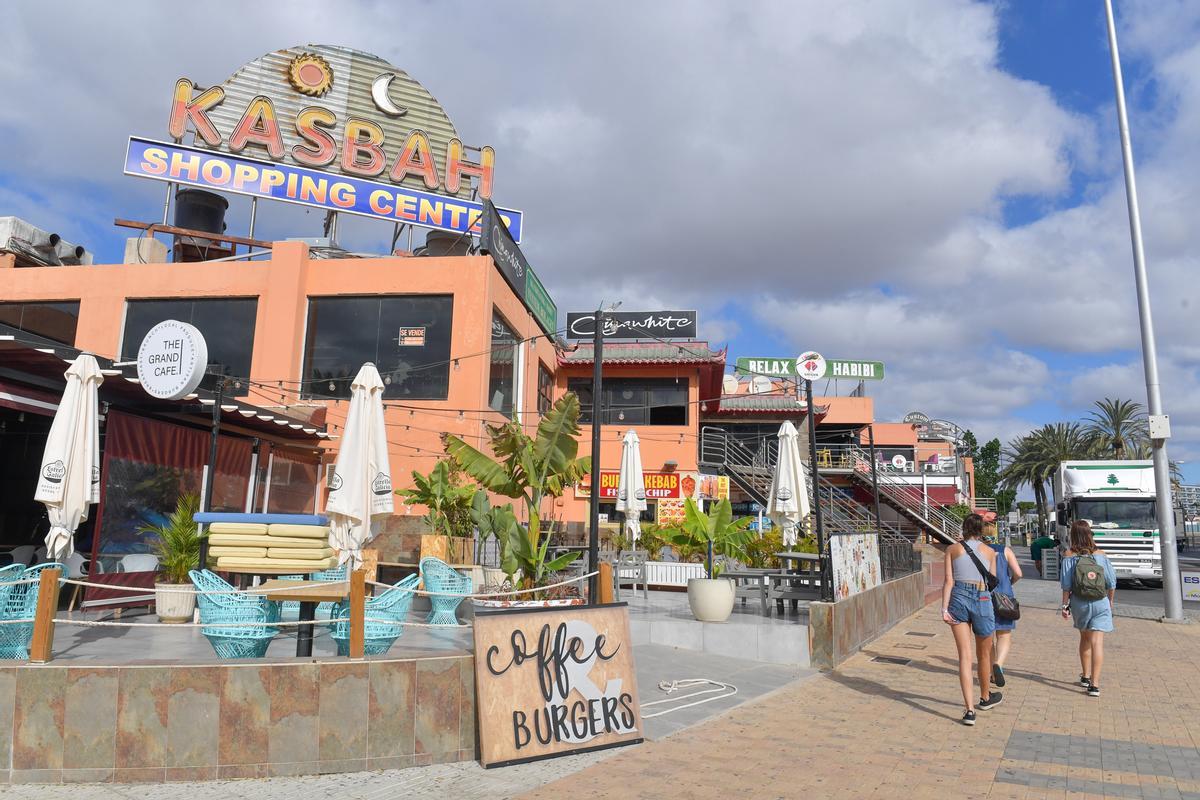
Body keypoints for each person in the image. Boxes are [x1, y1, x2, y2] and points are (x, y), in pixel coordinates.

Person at [942, 513, 1003, 725]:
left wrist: (944, 609)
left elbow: (948, 581)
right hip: (982, 597)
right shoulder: (990, 552)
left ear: (964, 528)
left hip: (957, 597)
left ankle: (969, 710)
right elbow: (992, 582)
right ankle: (985, 697)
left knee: (964, 657)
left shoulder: (952, 550)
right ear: (981, 530)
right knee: (984, 654)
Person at [1060, 520, 1117, 698]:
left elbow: (1066, 585)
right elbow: (1111, 582)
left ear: (1073, 535)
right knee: (1097, 642)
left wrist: (1064, 606)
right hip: (1101, 602)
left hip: (1080, 602)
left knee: (1085, 638)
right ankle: (1095, 685)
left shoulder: (1069, 554)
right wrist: (1110, 601)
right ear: (1090, 534)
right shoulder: (1101, 554)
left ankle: (1085, 675)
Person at [986, 524, 1023, 687]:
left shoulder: (978, 551)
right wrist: (1010, 583)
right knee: (1004, 634)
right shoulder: (1005, 551)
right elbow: (1019, 573)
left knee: (987, 636)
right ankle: (998, 664)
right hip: (1004, 597)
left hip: (984, 597)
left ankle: (992, 673)